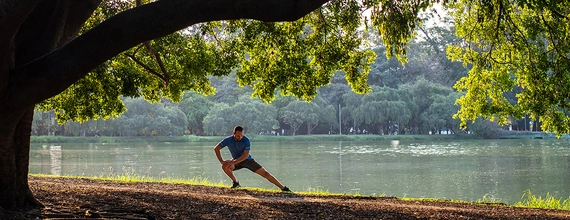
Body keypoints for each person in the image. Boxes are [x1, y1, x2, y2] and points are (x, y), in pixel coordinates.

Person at [214, 125, 291, 192]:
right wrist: (222, 161)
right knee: (225, 166)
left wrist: (233, 162)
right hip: (236, 161)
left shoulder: (246, 140)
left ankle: (283, 188)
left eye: (241, 135)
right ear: (233, 133)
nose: (240, 137)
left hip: (247, 160)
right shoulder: (228, 140)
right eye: (238, 136)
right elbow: (216, 148)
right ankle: (236, 182)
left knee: (266, 174)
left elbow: (245, 155)